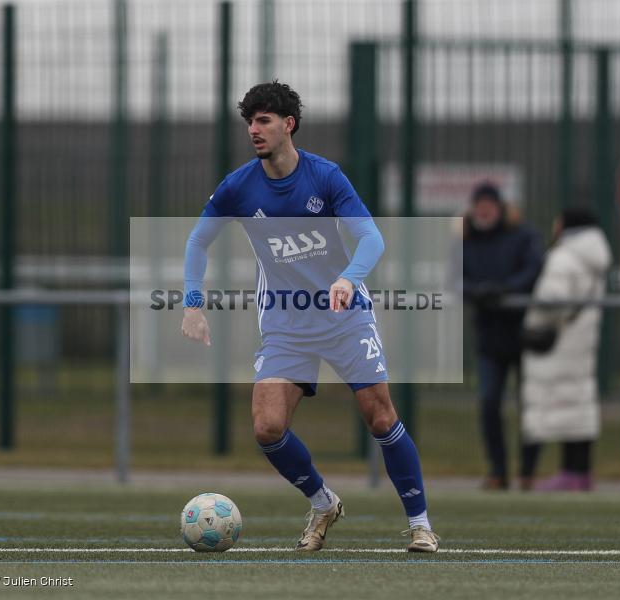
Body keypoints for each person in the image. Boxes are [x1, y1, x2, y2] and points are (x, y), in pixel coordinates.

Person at [181, 81, 438, 552]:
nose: (254, 131)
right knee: (267, 427)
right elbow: (198, 242)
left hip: (345, 316)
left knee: (379, 416)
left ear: (288, 125)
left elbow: (372, 239)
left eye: (264, 121)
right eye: (249, 122)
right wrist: (192, 303)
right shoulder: (238, 186)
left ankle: (420, 523)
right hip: (285, 323)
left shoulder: (325, 177)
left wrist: (347, 278)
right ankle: (323, 502)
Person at [520, 207, 612, 492]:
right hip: (581, 338)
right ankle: (580, 471)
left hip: (559, 339)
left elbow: (552, 298)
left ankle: (570, 473)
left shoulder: (565, 257)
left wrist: (532, 320)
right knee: (579, 404)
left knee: (559, 403)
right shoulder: (596, 258)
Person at [462, 183, 543, 490]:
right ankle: (498, 470)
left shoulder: (522, 236)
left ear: (500, 207)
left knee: (532, 406)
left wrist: (506, 289)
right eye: (478, 205)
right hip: (489, 337)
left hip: (525, 333)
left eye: (489, 205)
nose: (484, 211)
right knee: (489, 403)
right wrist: (479, 292)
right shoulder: (467, 242)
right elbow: (456, 278)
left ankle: (528, 472)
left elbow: (534, 269)